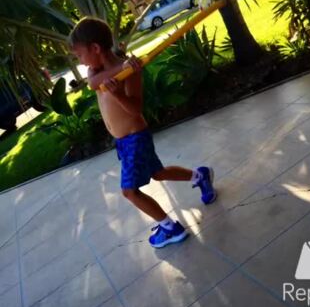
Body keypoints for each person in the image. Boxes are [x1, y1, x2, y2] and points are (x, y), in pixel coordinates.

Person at [69, 17, 217, 248]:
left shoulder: (131, 73)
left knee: (129, 192)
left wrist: (119, 90)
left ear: (95, 48)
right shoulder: (95, 71)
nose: (80, 61)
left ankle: (170, 228)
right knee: (157, 173)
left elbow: (135, 109)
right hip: (124, 141)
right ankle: (200, 176)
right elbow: (93, 83)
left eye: (79, 55)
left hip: (135, 138)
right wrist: (121, 68)